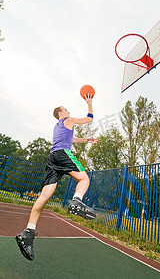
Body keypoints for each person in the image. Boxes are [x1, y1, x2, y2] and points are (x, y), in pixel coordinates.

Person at [15, 95, 98, 261]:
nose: (69, 111)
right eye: (66, 110)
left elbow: (72, 139)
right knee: (84, 179)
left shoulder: (59, 127)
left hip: (52, 158)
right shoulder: (69, 119)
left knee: (45, 196)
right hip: (62, 155)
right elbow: (89, 119)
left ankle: (28, 232)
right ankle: (76, 200)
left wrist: (86, 140)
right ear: (61, 113)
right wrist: (89, 103)